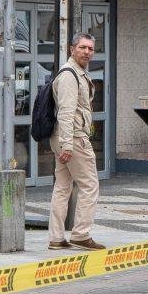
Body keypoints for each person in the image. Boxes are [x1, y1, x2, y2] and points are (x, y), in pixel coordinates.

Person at [48, 34, 105, 252]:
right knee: (90, 185)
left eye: (90, 48)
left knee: (63, 187)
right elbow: (66, 112)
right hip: (73, 137)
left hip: (66, 137)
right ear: (72, 49)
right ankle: (81, 234)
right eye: (82, 47)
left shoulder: (77, 73)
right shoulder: (69, 75)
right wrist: (67, 145)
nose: (87, 52)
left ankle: (56, 237)